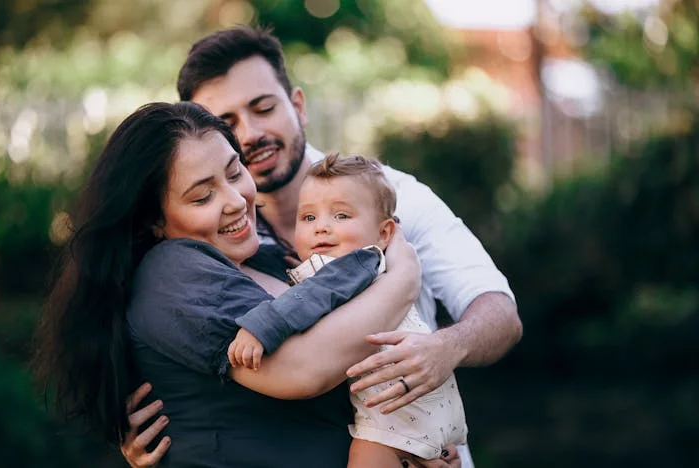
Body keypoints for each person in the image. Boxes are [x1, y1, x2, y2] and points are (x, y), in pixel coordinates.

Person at [122, 26, 522, 467]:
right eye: (229, 122)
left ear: (297, 105)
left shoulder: (390, 195)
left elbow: (500, 313)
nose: (251, 133)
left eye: (262, 108)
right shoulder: (229, 243)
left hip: (423, 442)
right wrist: (172, 429)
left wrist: (447, 348)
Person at [34, 100, 443, 467]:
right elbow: (303, 369)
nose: (234, 200)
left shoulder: (265, 258)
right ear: (153, 221)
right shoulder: (172, 272)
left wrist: (411, 448)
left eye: (234, 172)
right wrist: (403, 275)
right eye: (201, 197)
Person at [228, 153, 469, 467]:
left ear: (384, 234)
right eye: (309, 218)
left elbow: (312, 297)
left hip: (397, 410)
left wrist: (260, 326)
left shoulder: (357, 263)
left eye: (341, 216)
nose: (322, 228)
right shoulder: (361, 269)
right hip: (419, 406)